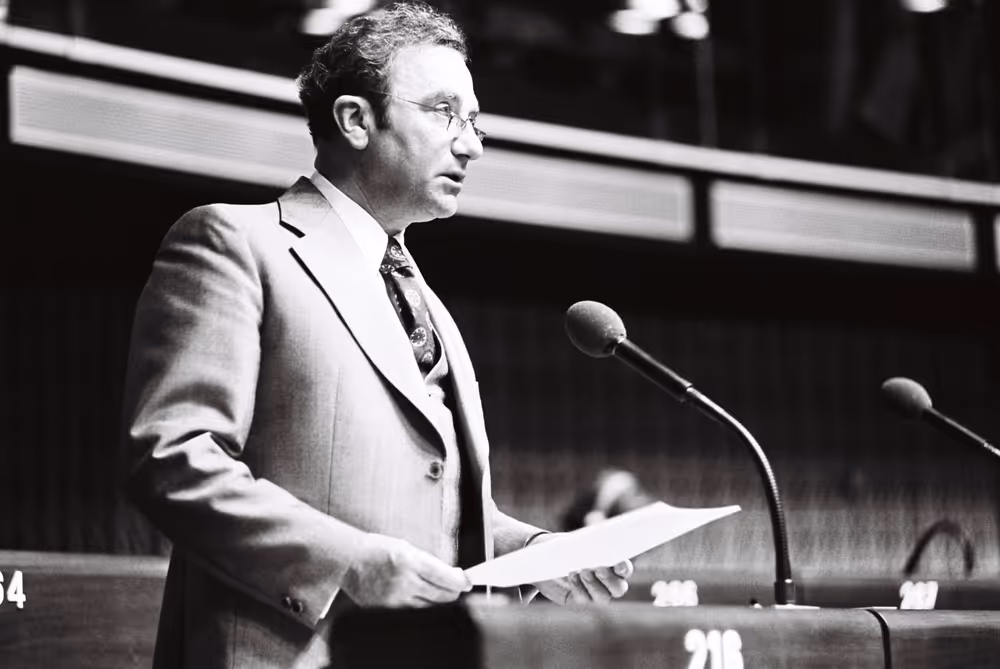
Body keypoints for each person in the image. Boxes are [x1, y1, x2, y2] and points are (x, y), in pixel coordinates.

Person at [121, 3, 633, 667]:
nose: (472, 143)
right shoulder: (234, 242)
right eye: (445, 112)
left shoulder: (430, 305)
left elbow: (434, 509)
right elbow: (172, 458)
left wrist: (535, 552)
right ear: (356, 119)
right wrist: (349, 560)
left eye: (475, 120)